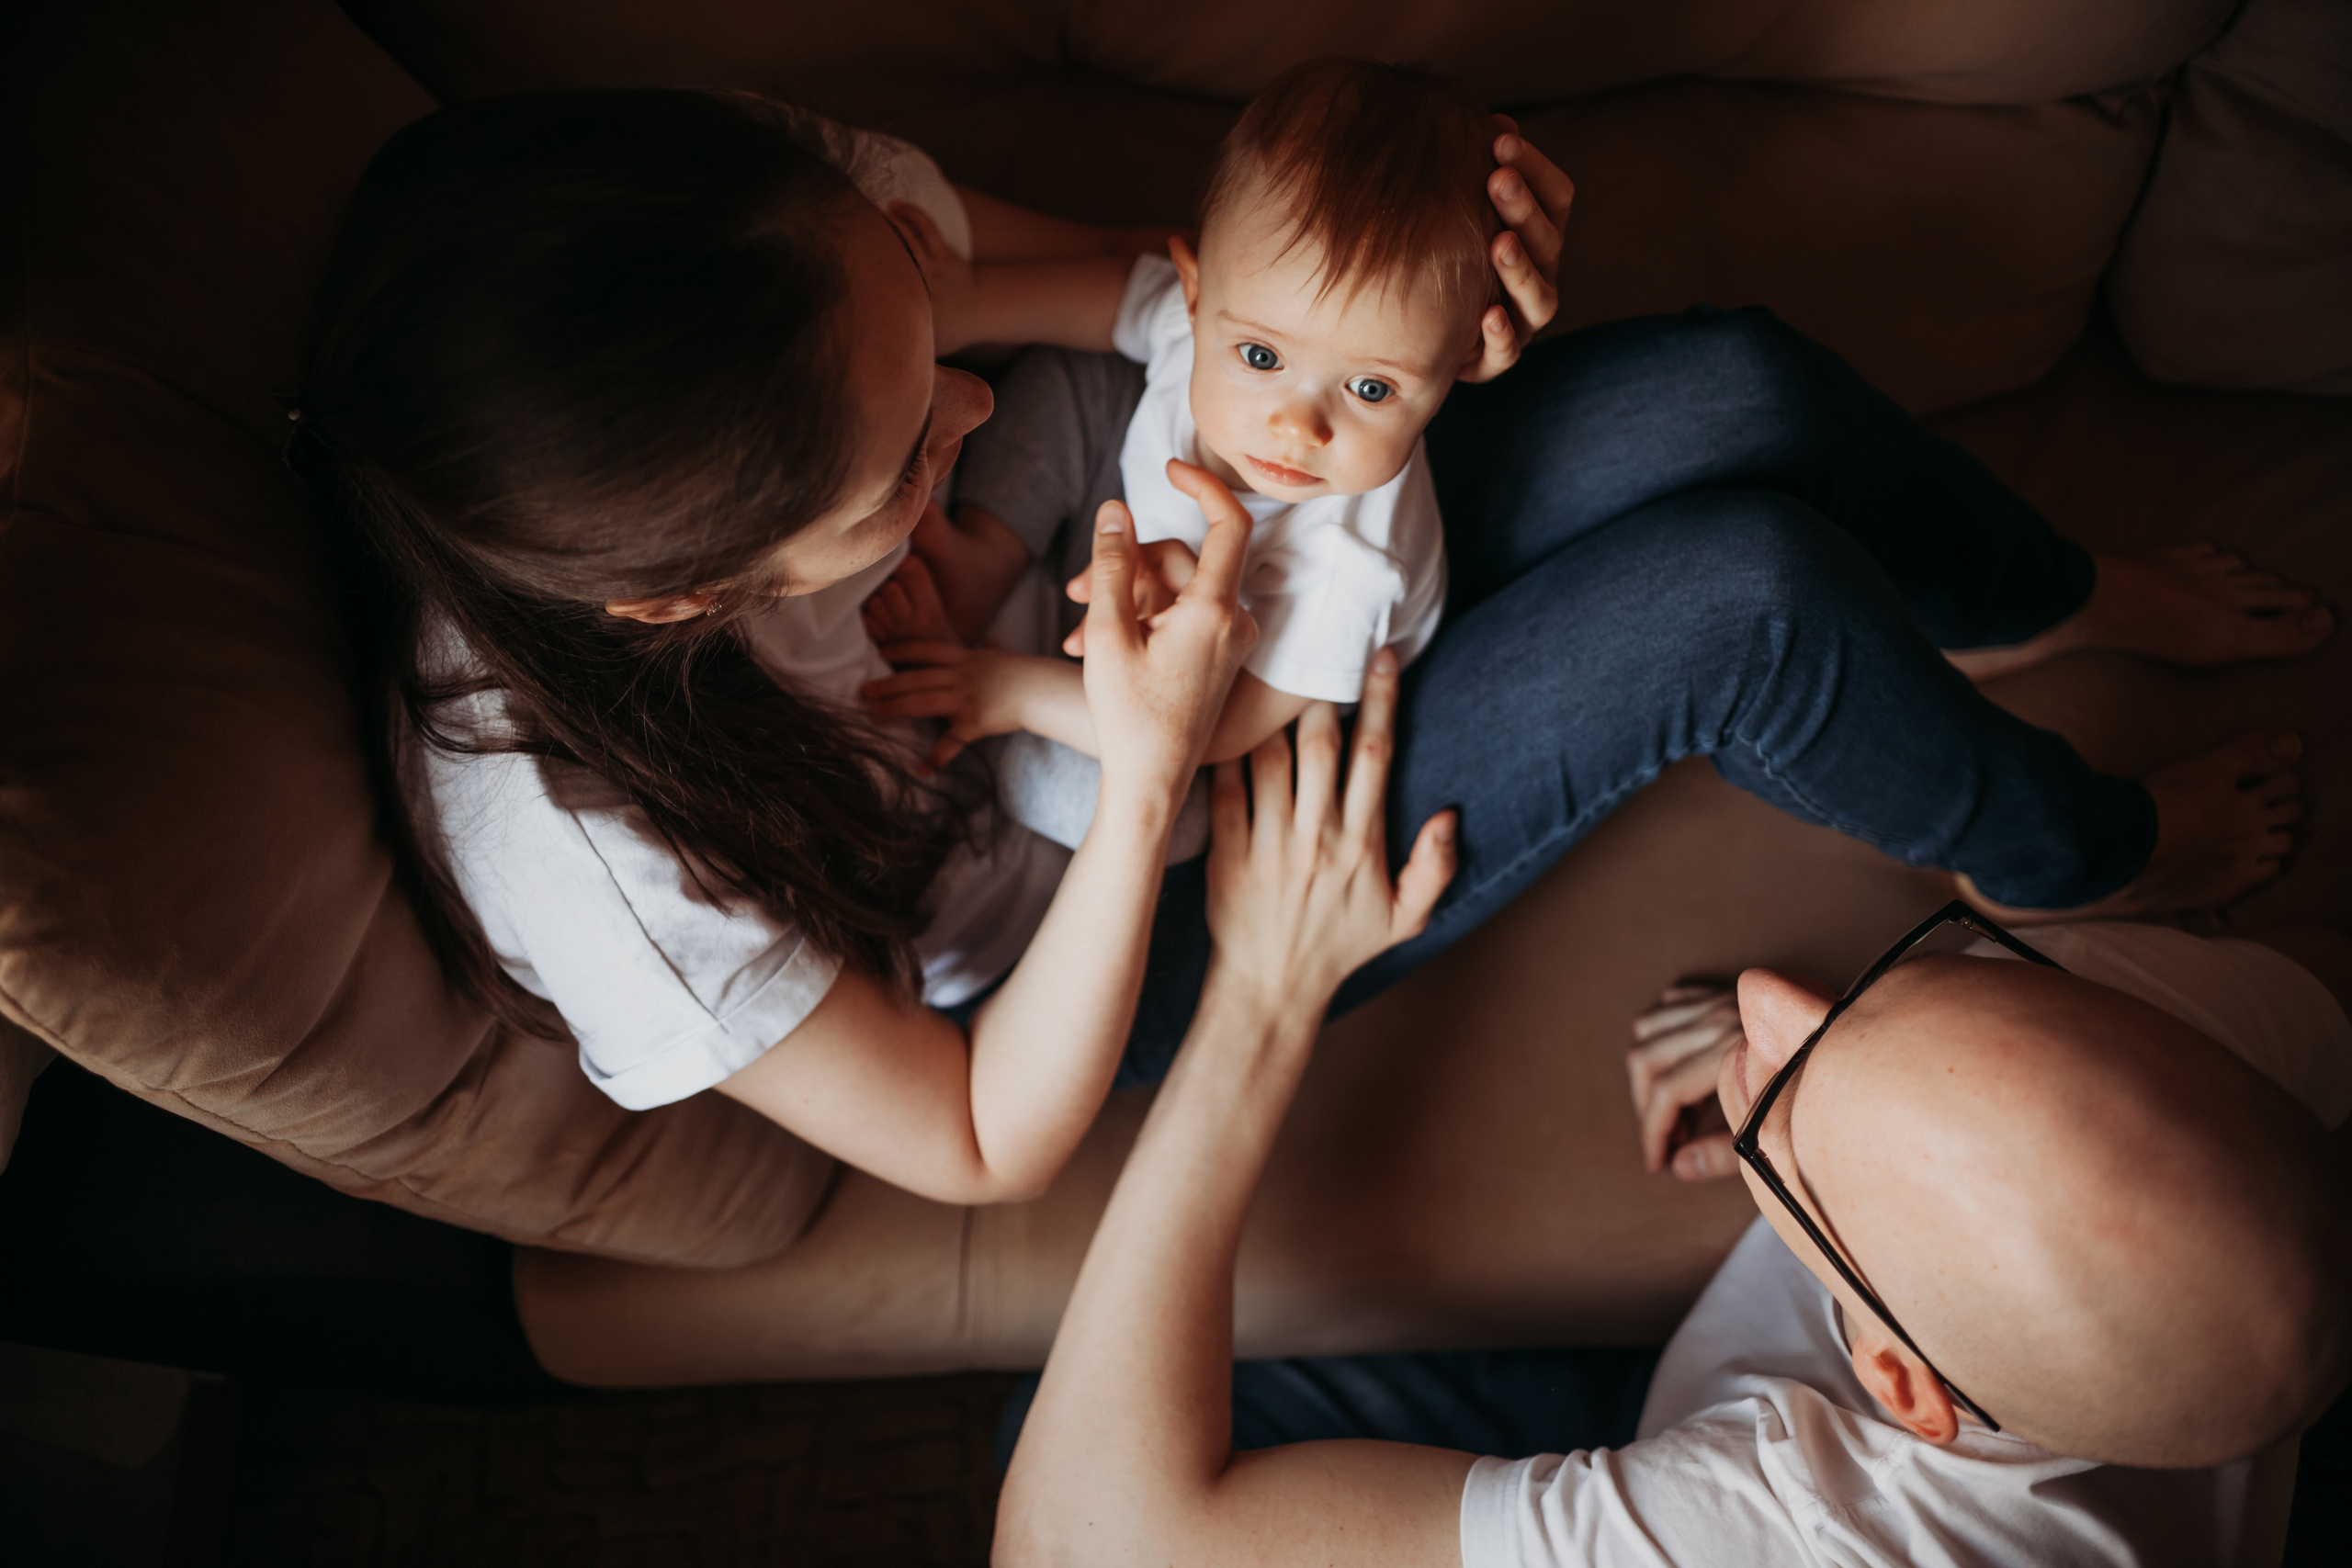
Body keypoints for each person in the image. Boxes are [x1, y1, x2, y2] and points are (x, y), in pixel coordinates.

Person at [298, 87, 2326, 1380]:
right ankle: (2075, 848)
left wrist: (1388, 345)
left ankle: (2048, 603)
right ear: (681, 597)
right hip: (1100, 905)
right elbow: (987, 1137)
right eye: (903, 456)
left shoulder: (757, 246)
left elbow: (1144, 305)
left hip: (1167, 555)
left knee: (1731, 381)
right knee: (1748, 599)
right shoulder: (578, 843)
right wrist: (1153, 755)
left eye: (933, 353)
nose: (968, 407)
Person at [994, 708, 2352, 1565]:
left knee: (1052, 1417)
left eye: (1797, 1108)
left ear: (1899, 1381)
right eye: (1891, 980)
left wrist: (1262, 991)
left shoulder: (1795, 1531)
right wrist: (1809, 1119)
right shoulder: (2191, 1059)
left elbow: (1070, 1539)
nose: (1767, 993)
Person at [859, 62, 1479, 810]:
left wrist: (1012, 690)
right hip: (1129, 537)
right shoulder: (1202, 321)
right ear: (1195, 294)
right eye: (1260, 358)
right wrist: (973, 305)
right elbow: (1116, 293)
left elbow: (1209, 734)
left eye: (1372, 388)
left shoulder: (1354, 566)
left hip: (1213, 697)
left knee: (1100, 800)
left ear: (1461, 369)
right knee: (1075, 367)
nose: (1297, 426)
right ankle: (988, 559)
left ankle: (980, 699)